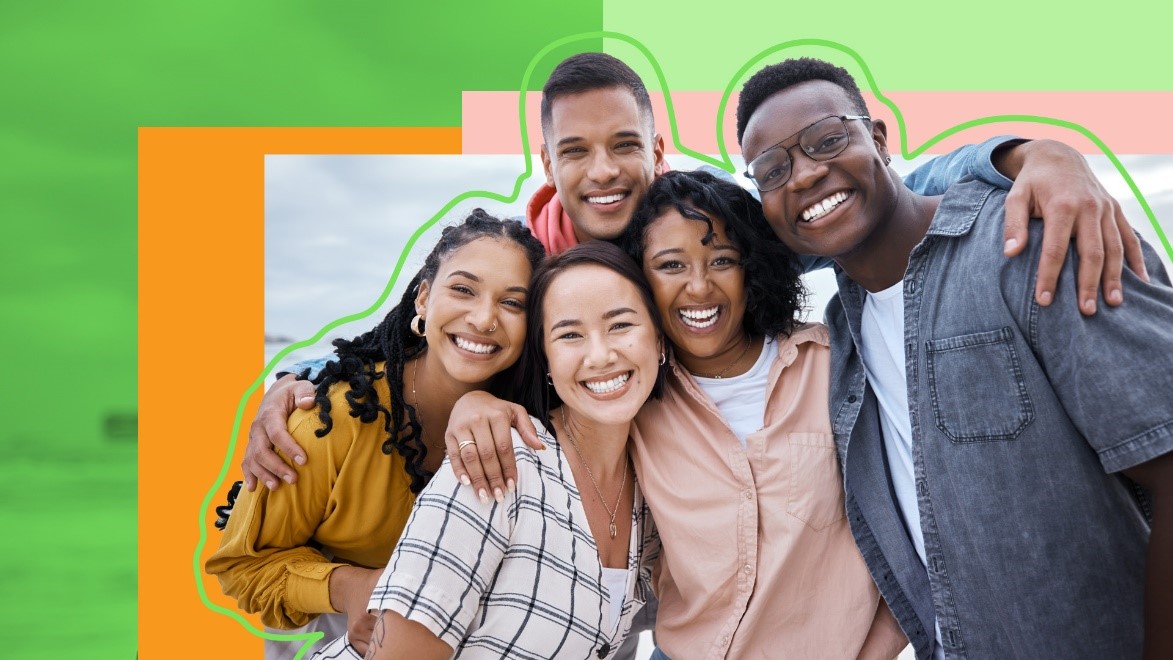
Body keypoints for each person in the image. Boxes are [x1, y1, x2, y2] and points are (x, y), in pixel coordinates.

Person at [736, 57, 1172, 659]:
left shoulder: (1030, 240)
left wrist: (1037, 153)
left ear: (880, 140)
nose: (805, 176)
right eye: (773, 170)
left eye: (828, 140)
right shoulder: (837, 347)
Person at [205, 210, 546, 659]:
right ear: (423, 299)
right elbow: (242, 565)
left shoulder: (532, 421)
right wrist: (351, 587)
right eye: (463, 289)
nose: (484, 319)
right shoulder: (330, 419)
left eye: (513, 302)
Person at [312, 241, 666, 659]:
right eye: (569, 334)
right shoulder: (495, 462)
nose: (600, 355)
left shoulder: (652, 488)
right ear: (546, 361)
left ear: (660, 341)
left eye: (620, 326)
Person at [606, 169, 907, 659]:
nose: (699, 287)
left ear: (752, 267)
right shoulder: (632, 399)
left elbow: (918, 527)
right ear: (640, 278)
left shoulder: (835, 366)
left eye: (722, 260)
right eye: (671, 265)